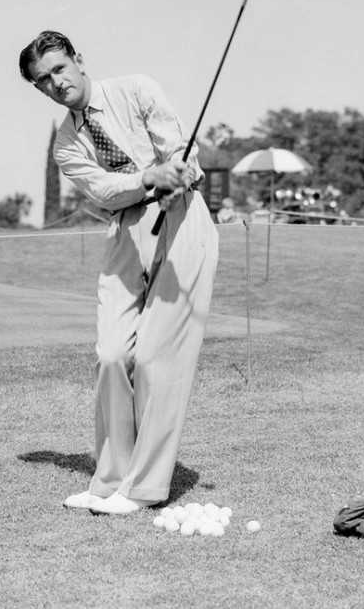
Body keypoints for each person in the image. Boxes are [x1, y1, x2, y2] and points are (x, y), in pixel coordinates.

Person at [18, 30, 219, 516]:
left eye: (60, 70)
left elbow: (180, 153)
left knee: (154, 357)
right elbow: (106, 191)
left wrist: (175, 172)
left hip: (183, 218)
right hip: (126, 227)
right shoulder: (66, 144)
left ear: (78, 61)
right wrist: (147, 179)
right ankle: (110, 479)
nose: (56, 84)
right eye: (44, 81)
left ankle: (144, 487)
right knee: (111, 354)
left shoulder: (136, 90)